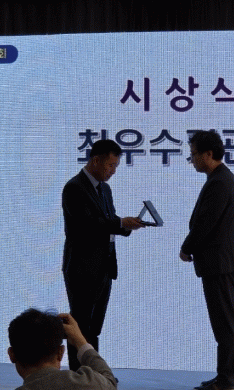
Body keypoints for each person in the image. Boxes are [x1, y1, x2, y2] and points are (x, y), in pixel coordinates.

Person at [62, 139, 144, 370]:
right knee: (80, 327)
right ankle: (79, 375)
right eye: (110, 165)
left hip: (104, 268)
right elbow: (88, 224)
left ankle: (94, 374)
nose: (113, 171)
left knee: (94, 327)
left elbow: (109, 220)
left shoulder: (105, 189)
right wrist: (120, 223)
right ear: (96, 160)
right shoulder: (74, 187)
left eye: (116, 166)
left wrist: (128, 225)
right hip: (82, 268)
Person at [180, 130, 234, 390]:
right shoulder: (221, 178)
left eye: (194, 154)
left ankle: (227, 379)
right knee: (228, 322)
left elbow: (206, 223)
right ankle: (228, 376)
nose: (192, 159)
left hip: (221, 264)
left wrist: (187, 247)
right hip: (225, 263)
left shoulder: (220, 181)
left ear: (209, 154)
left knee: (226, 325)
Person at [8, 308, 117, 390]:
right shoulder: (89, 384)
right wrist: (81, 342)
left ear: (11, 355)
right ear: (61, 352)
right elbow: (110, 382)